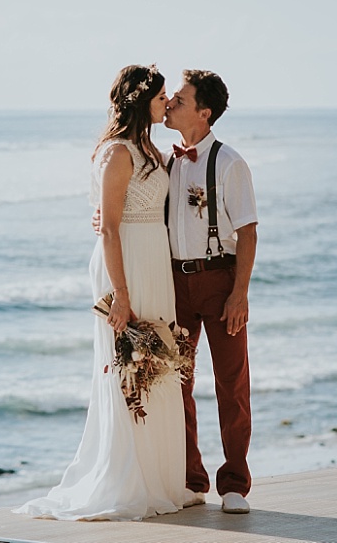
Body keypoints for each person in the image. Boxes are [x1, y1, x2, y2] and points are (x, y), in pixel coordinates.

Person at [19, 64, 190, 521]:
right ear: (141, 101)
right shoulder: (117, 153)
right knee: (129, 368)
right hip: (126, 263)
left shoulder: (149, 148)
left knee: (158, 362)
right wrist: (121, 294)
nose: (165, 104)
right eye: (159, 98)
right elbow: (110, 229)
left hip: (154, 259)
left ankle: (161, 479)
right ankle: (129, 479)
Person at [164, 70, 257, 514]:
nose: (169, 104)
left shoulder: (229, 162)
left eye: (178, 100)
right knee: (177, 381)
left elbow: (249, 232)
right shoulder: (166, 161)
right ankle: (191, 478)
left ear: (203, 112)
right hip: (175, 283)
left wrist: (240, 293)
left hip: (220, 281)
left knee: (231, 383)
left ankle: (235, 483)